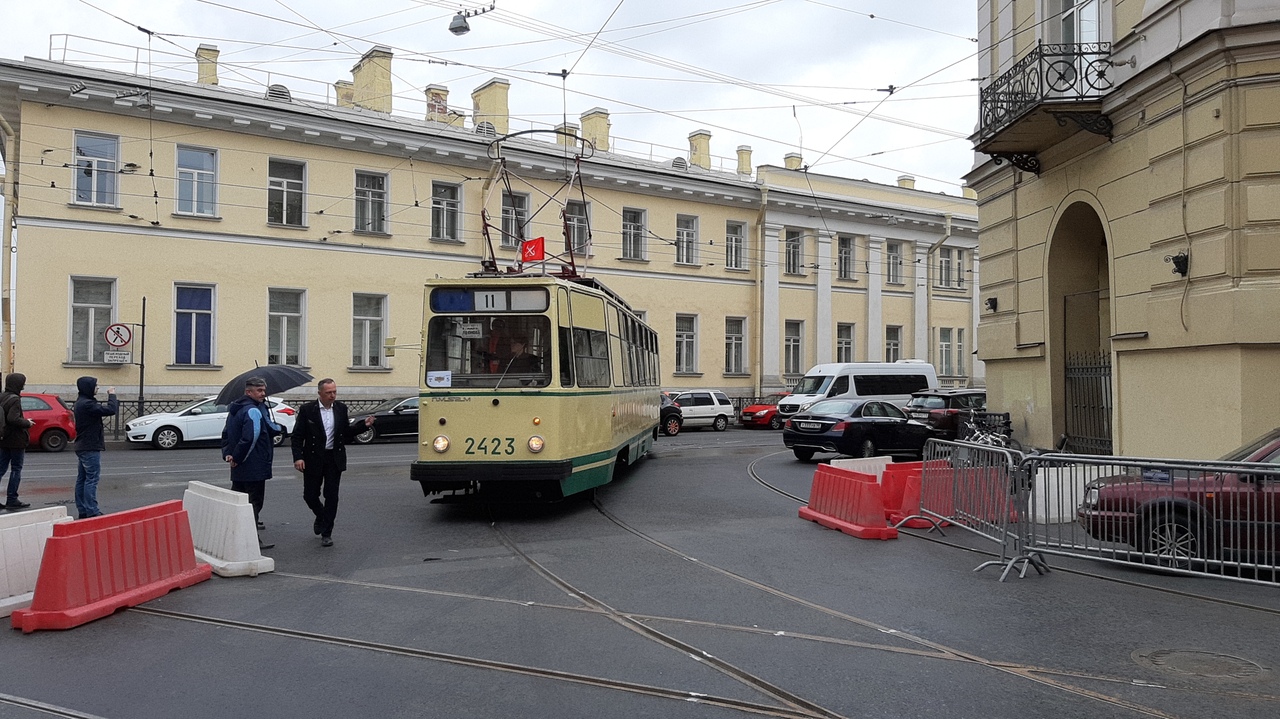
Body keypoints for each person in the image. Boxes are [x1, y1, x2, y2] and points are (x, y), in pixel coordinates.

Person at [291, 379, 374, 547]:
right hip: (313, 458)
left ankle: (327, 532)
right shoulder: (308, 410)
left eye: (334, 392)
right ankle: (321, 515)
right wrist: (298, 457)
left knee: (332, 496)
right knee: (310, 495)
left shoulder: (341, 408)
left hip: (333, 459)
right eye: (329, 392)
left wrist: (363, 426)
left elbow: (346, 432)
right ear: (320, 393)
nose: (332, 395)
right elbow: (297, 436)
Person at [220, 377, 280, 549]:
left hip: (239, 465)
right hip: (254, 464)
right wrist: (237, 458)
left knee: (238, 500)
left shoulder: (235, 409)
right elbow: (250, 438)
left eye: (263, 390)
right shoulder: (253, 411)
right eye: (259, 390)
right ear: (248, 392)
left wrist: (229, 455)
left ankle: (231, 536)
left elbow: (226, 434)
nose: (263, 393)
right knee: (253, 502)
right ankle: (252, 540)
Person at [73, 376, 118, 519]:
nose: (97, 387)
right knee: (91, 479)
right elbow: (111, 410)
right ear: (88, 387)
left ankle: (83, 509)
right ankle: (92, 510)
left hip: (83, 445)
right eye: (95, 385)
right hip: (90, 445)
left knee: (82, 479)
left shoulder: (81, 402)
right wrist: (112, 394)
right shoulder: (87, 404)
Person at [1, 373, 37, 510]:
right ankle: (12, 499)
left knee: (1, 469)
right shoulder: (15, 399)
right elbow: (13, 418)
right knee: (16, 469)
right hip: (16, 440)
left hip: (3, 437)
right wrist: (27, 423)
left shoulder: (2, 396)